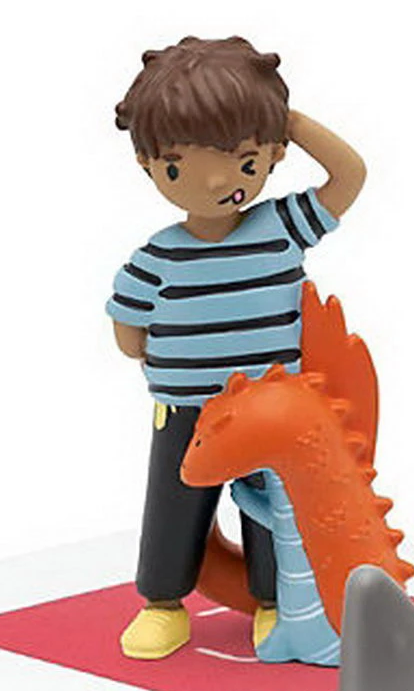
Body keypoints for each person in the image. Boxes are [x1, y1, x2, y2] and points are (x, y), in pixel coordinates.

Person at [107, 36, 367, 659]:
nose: (218, 182)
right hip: (185, 410)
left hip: (272, 410)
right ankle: (163, 603)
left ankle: (275, 600)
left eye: (244, 161)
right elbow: (127, 332)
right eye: (179, 167)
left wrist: (285, 121)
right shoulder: (155, 258)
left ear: (273, 154)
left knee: (274, 509)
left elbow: (351, 175)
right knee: (174, 506)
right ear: (147, 163)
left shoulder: (281, 227)